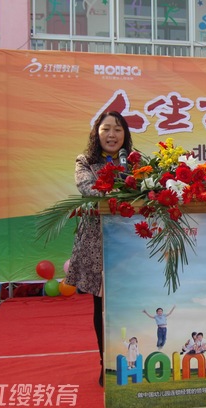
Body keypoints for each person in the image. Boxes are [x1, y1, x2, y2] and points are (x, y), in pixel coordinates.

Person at [65, 111, 133, 387]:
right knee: (102, 305)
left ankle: (130, 359)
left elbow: (145, 188)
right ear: (97, 133)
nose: (112, 135)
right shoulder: (85, 162)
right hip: (97, 243)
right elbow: (88, 189)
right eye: (106, 129)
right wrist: (124, 189)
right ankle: (106, 363)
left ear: (125, 135)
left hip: (130, 241)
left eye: (118, 129)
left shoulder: (135, 163)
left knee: (130, 304)